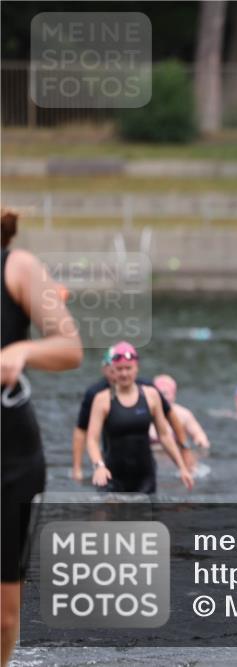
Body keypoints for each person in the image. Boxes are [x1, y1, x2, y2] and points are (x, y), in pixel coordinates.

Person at [1, 208, 83, 666]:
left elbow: (69, 347)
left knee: (4, 618)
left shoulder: (18, 267)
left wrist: (22, 348)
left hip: (9, 455)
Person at [86, 342, 194, 494]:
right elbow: (92, 439)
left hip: (145, 476)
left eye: (128, 368)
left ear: (136, 368)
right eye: (119, 369)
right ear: (112, 370)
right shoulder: (102, 400)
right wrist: (99, 466)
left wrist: (182, 468)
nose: (124, 374)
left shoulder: (151, 396)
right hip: (111, 475)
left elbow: (164, 435)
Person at [150, 374, 210, 472]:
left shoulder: (183, 415)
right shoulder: (144, 413)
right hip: (153, 459)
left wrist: (200, 442)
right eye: (160, 394)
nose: (163, 398)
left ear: (174, 394)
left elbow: (199, 434)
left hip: (176, 459)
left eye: (166, 393)